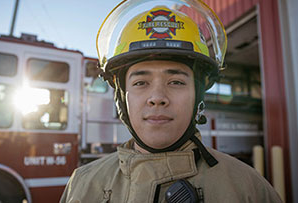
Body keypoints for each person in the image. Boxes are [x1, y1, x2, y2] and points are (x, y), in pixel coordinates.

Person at [60, 0, 282, 202]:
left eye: (176, 82)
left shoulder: (248, 190)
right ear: (121, 96)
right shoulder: (81, 186)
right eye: (140, 83)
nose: (157, 98)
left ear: (198, 96)